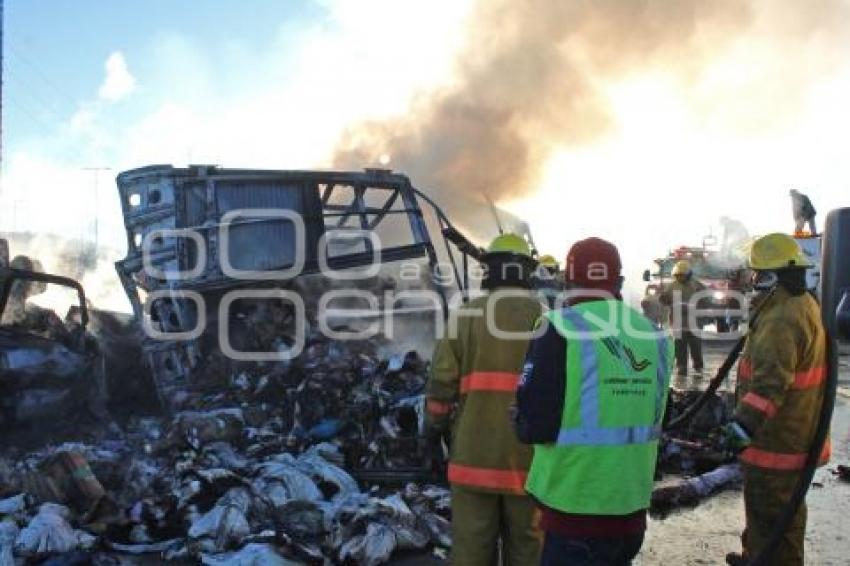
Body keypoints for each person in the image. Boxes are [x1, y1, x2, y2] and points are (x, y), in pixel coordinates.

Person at [515, 237, 673, 566]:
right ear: (618, 282)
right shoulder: (654, 336)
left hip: (574, 506)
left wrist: (518, 418)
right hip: (630, 508)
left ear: (568, 282)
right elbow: (660, 417)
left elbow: (537, 424)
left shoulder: (558, 327)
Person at [426, 232, 544, 566]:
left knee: (472, 553)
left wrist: (432, 431)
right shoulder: (549, 319)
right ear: (527, 271)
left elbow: (440, 384)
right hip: (531, 465)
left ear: (489, 269)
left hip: (472, 461)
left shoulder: (465, 316)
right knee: (528, 549)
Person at [724, 233, 830, 566]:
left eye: (757, 274)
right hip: (793, 437)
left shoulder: (781, 318)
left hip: (777, 444)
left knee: (774, 518)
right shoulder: (801, 304)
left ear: (771, 277)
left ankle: (768, 559)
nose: (752, 281)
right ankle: (756, 556)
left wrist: (738, 430)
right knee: (772, 515)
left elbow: (768, 387)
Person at [659, 260, 706, 377]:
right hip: (678, 323)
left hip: (694, 323)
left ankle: (698, 367)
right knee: (680, 348)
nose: (680, 277)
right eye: (678, 275)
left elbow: (706, 300)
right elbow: (665, 301)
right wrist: (663, 298)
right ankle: (681, 368)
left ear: (688, 274)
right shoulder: (671, 286)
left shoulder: (697, 285)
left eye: (682, 275)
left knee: (695, 346)